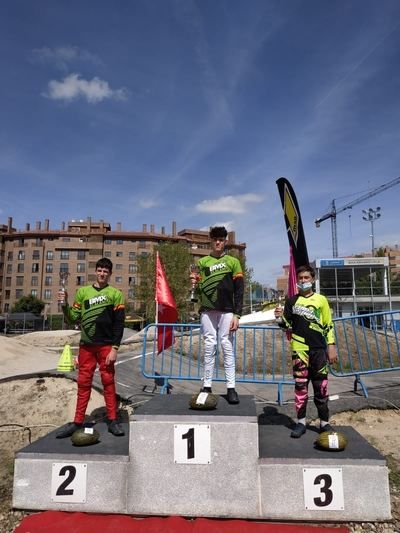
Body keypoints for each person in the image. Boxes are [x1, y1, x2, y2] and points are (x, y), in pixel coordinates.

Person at [56, 257, 126, 438]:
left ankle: (112, 419)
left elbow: (119, 324)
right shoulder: (83, 292)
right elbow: (73, 318)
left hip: (106, 346)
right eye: (100, 270)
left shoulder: (115, 294)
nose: (102, 274)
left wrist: (115, 348)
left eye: (106, 271)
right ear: (96, 271)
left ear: (110, 274)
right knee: (83, 383)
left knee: (108, 382)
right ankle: (78, 421)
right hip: (86, 346)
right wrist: (64, 304)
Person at [274, 264, 338, 438]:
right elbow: (287, 326)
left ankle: (324, 423)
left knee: (321, 387)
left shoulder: (321, 300)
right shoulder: (291, 301)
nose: (303, 281)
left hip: (319, 350)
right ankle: (300, 423)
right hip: (300, 350)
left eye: (306, 278)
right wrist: (279, 318)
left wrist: (331, 346)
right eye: (300, 278)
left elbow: (328, 324)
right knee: (300, 388)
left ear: (313, 279)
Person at [190, 226, 244, 404]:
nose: (218, 242)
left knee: (227, 346)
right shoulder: (203, 262)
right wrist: (194, 283)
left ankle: (231, 388)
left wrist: (237, 314)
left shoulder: (233, 261)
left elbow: (239, 290)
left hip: (227, 310)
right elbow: (199, 288)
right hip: (207, 310)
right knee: (209, 347)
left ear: (225, 241)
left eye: (221, 239)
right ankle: (206, 386)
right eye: (215, 239)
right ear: (210, 241)